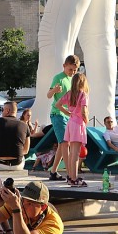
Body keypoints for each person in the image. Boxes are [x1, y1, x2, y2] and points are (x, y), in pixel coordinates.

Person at [46, 54, 80, 182]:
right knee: (65, 143)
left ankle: (53, 172)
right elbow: (49, 95)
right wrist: (54, 90)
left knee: (62, 144)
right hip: (58, 114)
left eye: (75, 70)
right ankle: (70, 173)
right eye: (70, 69)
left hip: (69, 114)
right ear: (64, 66)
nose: (72, 72)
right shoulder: (58, 78)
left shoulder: (73, 80)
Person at [55, 72, 89, 187]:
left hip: (70, 123)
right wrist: (86, 119)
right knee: (76, 153)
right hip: (78, 123)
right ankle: (74, 178)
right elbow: (84, 111)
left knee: (71, 153)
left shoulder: (69, 94)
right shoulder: (83, 94)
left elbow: (58, 104)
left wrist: (67, 113)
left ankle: (71, 177)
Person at [0, 101, 30, 171]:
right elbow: (26, 150)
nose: (2, 112)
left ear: (7, 110)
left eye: (2, 110)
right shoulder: (25, 125)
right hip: (17, 165)